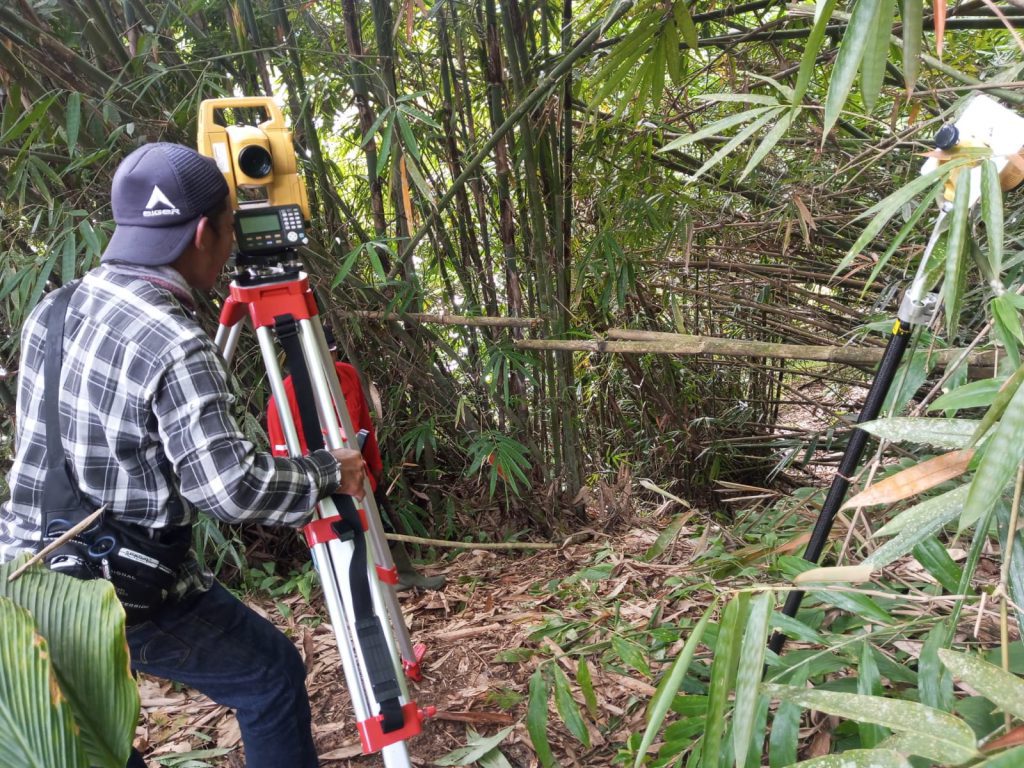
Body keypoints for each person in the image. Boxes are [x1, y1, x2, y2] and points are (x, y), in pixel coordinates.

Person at [0, 142, 366, 768]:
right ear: (204, 232)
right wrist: (329, 471)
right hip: (115, 586)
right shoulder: (174, 340)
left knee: (89, 734)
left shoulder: (52, 309)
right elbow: (228, 488)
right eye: (229, 230)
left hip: (21, 573)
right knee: (271, 678)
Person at [265, 330, 446, 591]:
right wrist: (296, 501)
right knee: (341, 538)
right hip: (321, 483)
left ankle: (403, 575)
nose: (326, 362)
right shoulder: (283, 399)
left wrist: (374, 467)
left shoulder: (346, 375)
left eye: (330, 354)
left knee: (378, 524)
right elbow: (281, 455)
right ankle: (362, 593)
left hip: (357, 470)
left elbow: (364, 426)